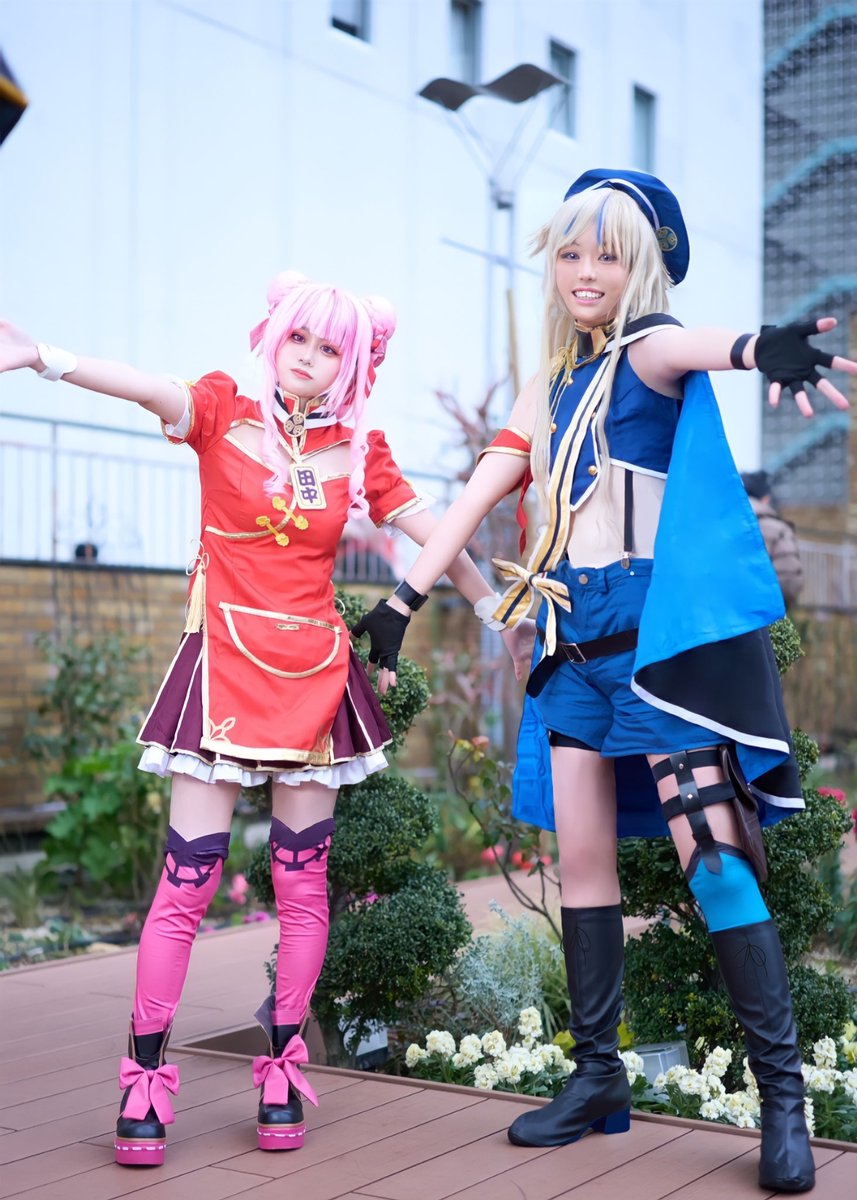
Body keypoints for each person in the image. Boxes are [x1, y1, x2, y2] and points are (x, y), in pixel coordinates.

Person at [351, 170, 857, 1195]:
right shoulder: (548, 388)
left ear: (641, 267)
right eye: (570, 252)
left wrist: (765, 345)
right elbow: (476, 494)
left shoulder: (648, 351)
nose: (584, 271)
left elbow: (709, 345)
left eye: (607, 254)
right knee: (582, 868)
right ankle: (596, 1080)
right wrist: (402, 599)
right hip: (570, 658)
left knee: (716, 864)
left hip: (654, 661)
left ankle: (782, 1102)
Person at [0, 271, 504, 1166]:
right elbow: (146, 386)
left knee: (302, 888)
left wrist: (501, 610)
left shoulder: (359, 448)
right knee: (184, 885)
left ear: (354, 363)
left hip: (315, 679)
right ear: (274, 334)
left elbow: (440, 531)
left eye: (329, 347)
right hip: (222, 671)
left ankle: (279, 1070)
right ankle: (143, 1079)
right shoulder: (221, 409)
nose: (307, 357)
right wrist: (46, 358)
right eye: (298, 337)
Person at [742, 469, 804, 607]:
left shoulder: (722, 527)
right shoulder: (778, 529)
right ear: (766, 498)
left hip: (726, 614)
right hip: (765, 610)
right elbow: (789, 582)